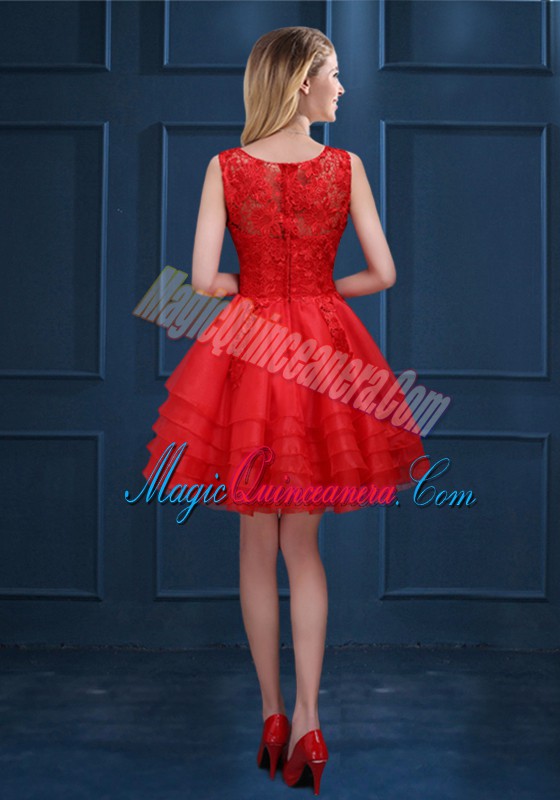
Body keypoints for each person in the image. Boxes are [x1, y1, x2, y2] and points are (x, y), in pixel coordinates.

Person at [141, 26, 431, 795]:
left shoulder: (226, 167)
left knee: (254, 547)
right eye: (334, 74)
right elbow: (384, 272)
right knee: (304, 550)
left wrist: (249, 290)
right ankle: (309, 719)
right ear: (302, 81)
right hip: (320, 352)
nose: (342, 87)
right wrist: (322, 296)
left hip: (250, 350)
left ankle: (270, 715)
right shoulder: (345, 167)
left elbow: (202, 280)